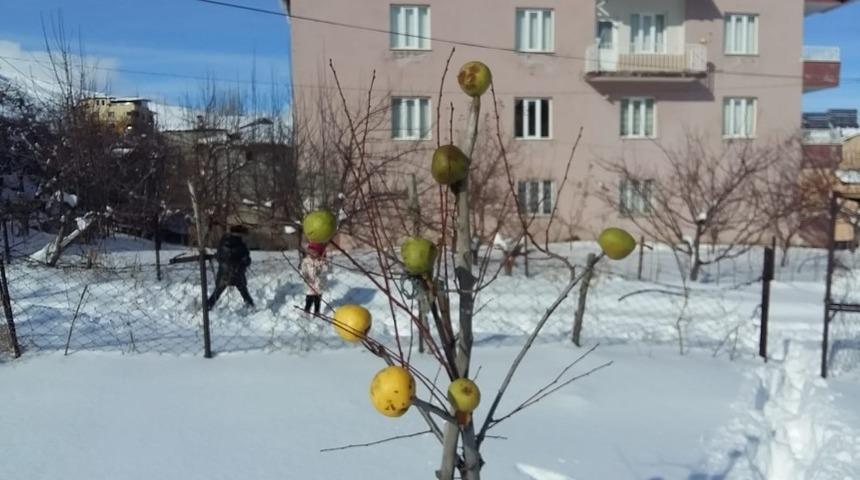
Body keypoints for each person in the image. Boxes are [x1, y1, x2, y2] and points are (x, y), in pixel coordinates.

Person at [207, 225, 254, 310]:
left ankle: (208, 306)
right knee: (244, 292)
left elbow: (219, 257)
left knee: (217, 292)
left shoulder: (224, 241)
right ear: (240, 234)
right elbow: (245, 259)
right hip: (237, 273)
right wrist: (245, 262)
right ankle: (251, 306)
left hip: (224, 273)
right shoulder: (240, 245)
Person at [300, 242, 327, 315]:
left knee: (317, 300)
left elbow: (326, 271)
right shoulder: (306, 261)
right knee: (309, 298)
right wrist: (306, 277)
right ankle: (307, 311)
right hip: (310, 283)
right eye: (310, 252)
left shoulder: (322, 262)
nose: (311, 254)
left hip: (319, 283)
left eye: (314, 252)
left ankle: (317, 312)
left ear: (319, 253)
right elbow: (303, 270)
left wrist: (323, 264)